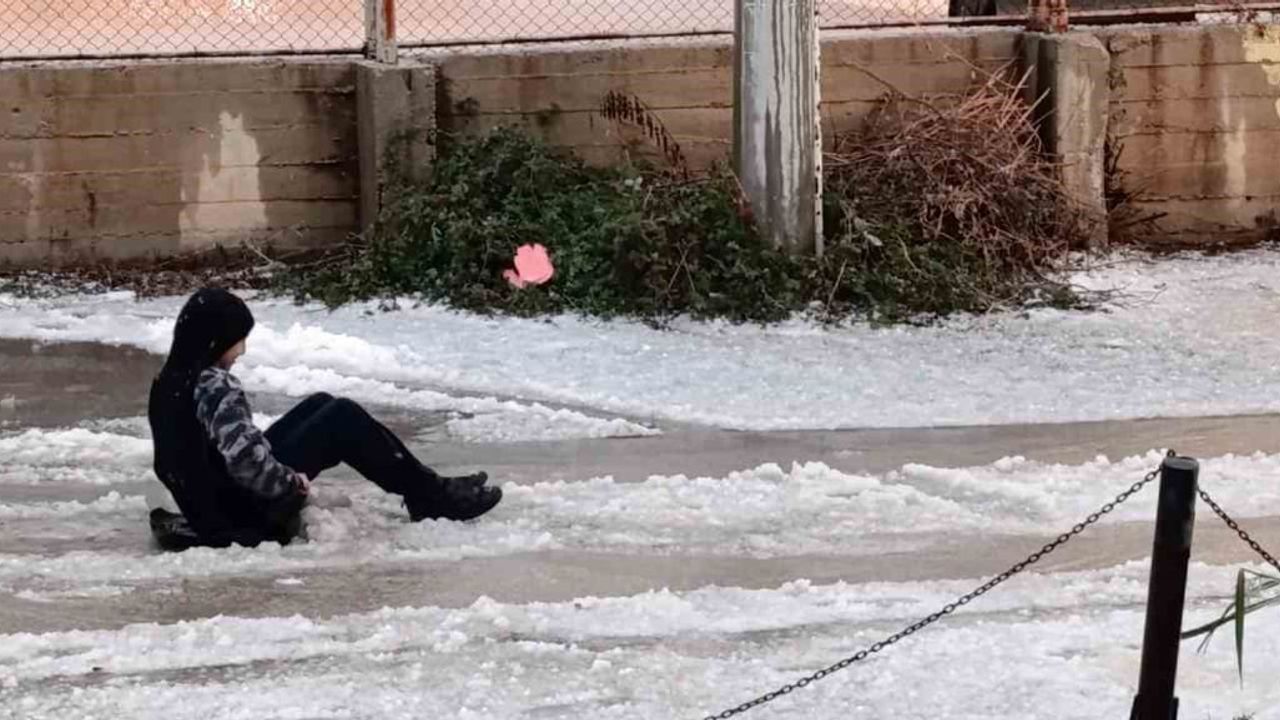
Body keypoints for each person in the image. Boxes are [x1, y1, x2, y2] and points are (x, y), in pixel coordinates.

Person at [146, 287, 501, 550]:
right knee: (341, 417)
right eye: (236, 341)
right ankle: (431, 495)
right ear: (213, 342)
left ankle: (425, 488)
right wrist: (290, 483)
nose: (242, 351)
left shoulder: (170, 382)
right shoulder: (213, 386)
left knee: (322, 403)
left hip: (214, 504)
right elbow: (246, 465)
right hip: (242, 513)